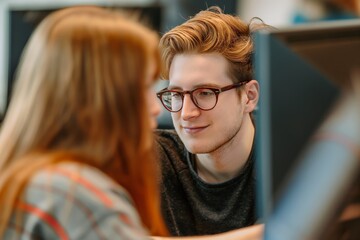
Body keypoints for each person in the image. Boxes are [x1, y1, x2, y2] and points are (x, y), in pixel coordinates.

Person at [0, 6, 168, 239]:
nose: (156, 107)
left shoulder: (30, 179)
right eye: (144, 88)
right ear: (103, 97)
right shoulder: (79, 197)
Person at [154, 6, 268, 236]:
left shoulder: (288, 158)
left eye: (205, 93)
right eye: (176, 94)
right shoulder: (153, 158)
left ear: (249, 96)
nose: (186, 113)